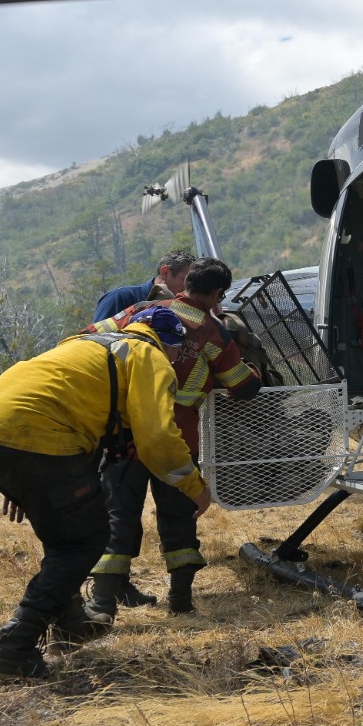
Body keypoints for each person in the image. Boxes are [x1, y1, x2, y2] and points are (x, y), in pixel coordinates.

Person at [0, 306, 211, 680]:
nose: (175, 362)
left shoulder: (87, 343)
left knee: (65, 531)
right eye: (176, 353)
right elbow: (157, 438)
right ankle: (12, 649)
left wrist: (19, 478)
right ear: (170, 343)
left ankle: (71, 623)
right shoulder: (149, 354)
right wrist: (195, 487)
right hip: (36, 436)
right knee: (83, 542)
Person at [82, 257, 261, 619]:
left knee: (118, 516)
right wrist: (255, 368)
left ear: (185, 283)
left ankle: (101, 603)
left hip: (125, 437)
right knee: (179, 517)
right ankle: (181, 602)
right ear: (217, 294)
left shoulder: (142, 310)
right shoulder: (214, 332)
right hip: (178, 440)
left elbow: (89, 336)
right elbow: (242, 387)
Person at [93, 248, 196, 323]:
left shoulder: (184, 311)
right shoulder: (119, 298)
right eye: (186, 280)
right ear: (165, 272)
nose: (190, 287)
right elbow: (94, 341)